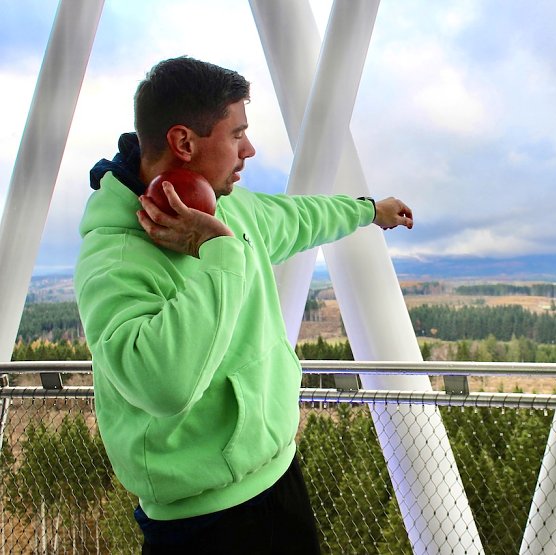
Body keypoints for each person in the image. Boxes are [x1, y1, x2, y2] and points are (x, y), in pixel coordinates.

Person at [74, 56, 413, 553]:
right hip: (201, 523)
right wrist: (221, 250)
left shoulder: (233, 206)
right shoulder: (115, 256)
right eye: (237, 134)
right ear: (184, 142)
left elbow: (301, 217)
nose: (249, 149)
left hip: (279, 476)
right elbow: (163, 384)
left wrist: (368, 211)